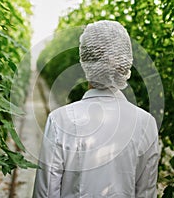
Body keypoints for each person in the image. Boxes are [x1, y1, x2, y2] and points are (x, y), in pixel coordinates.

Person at [32, 20, 159, 198]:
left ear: (85, 61)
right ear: (125, 63)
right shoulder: (146, 123)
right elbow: (146, 193)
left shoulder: (59, 120)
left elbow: (45, 193)